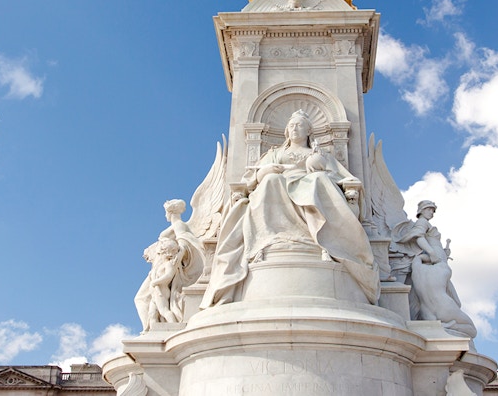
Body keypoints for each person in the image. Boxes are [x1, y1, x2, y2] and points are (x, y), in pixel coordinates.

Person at [203, 110, 378, 306]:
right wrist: (266, 171)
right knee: (271, 180)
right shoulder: (275, 154)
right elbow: (253, 177)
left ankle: (323, 240)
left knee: (319, 180)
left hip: (311, 186)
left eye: (300, 125)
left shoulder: (319, 153)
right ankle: (267, 239)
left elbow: (341, 176)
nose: (295, 128)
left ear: (309, 131)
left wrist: (319, 167)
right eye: (292, 125)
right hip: (279, 186)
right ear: (286, 131)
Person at [391, 200, 477, 338]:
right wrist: (431, 252)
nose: (432, 212)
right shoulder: (422, 223)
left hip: (438, 258)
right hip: (435, 259)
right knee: (448, 295)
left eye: (433, 210)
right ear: (422, 210)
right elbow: (419, 238)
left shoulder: (427, 224)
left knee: (448, 295)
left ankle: (442, 322)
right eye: (429, 209)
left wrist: (442, 252)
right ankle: (445, 322)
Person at [134, 200, 204, 332]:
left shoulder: (179, 225)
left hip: (163, 268)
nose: (165, 215)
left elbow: (185, 243)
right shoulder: (175, 226)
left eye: (166, 212)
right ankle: (148, 328)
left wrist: (175, 259)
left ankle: (155, 328)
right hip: (158, 267)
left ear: (169, 212)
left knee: (144, 300)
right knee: (143, 300)